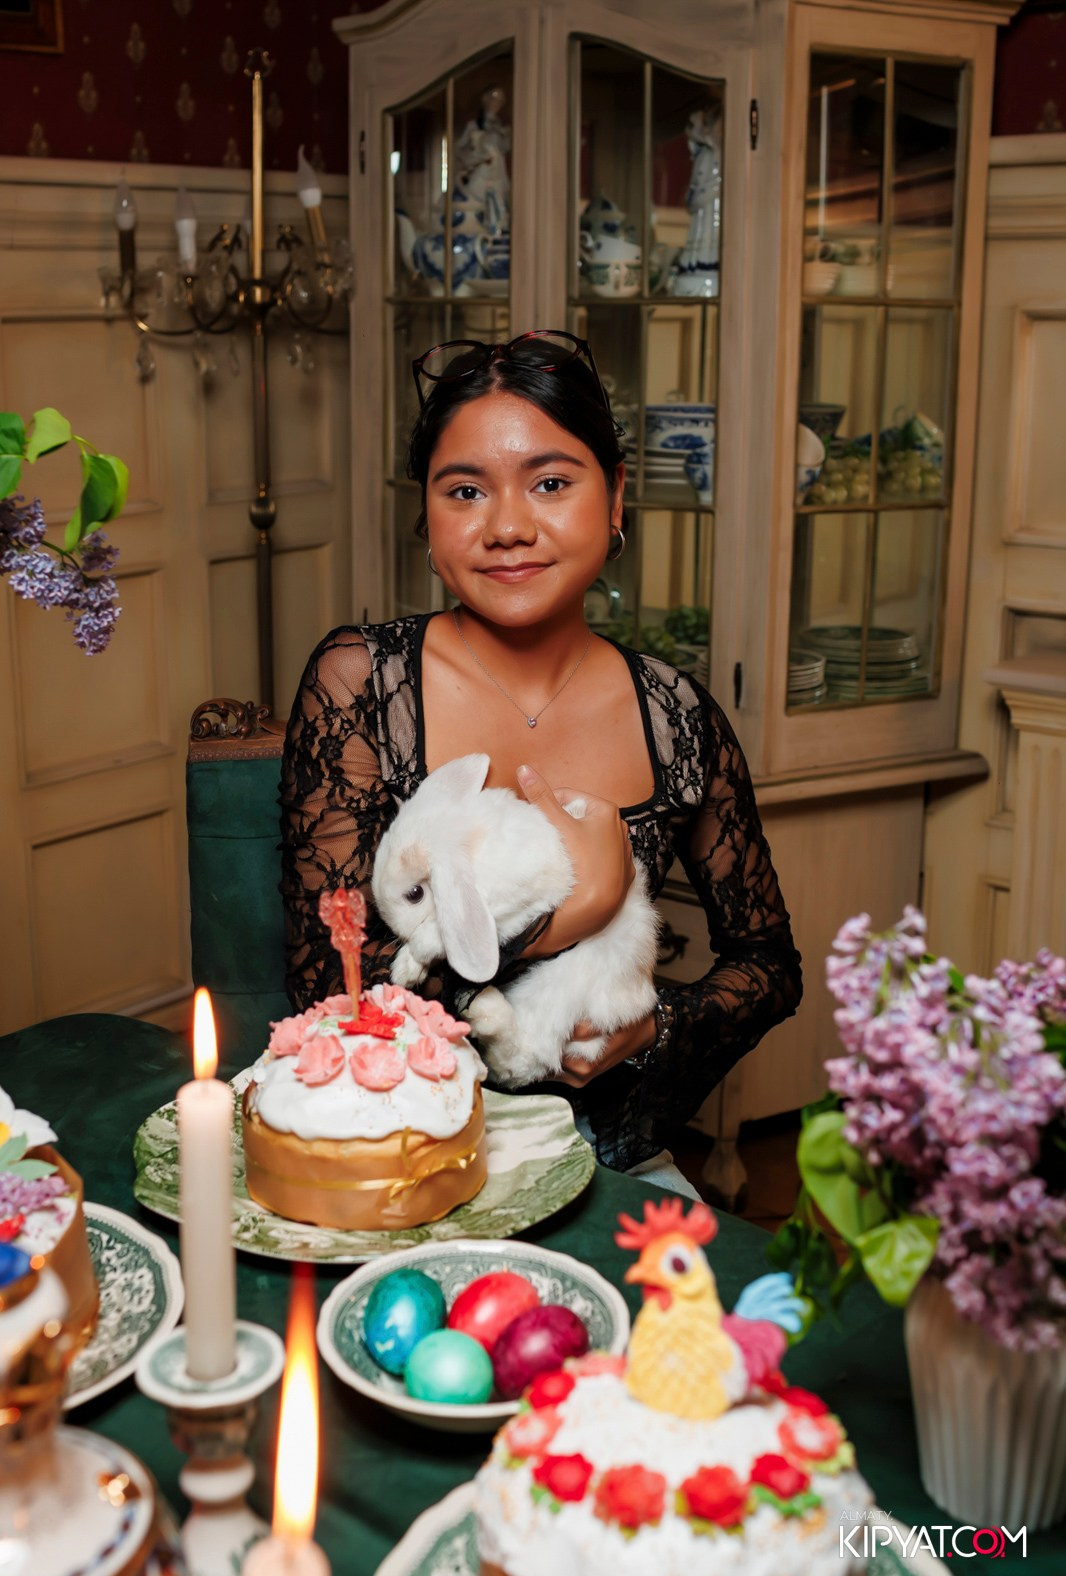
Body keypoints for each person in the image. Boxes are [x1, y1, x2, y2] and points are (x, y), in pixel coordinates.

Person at [280, 330, 801, 1187]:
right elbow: (329, 990)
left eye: (551, 483)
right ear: (427, 513)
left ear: (616, 495)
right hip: (397, 1154)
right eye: (465, 491)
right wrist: (577, 912)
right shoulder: (361, 683)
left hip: (608, 1167)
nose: (509, 528)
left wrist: (653, 1027)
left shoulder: (676, 718)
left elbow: (770, 965)